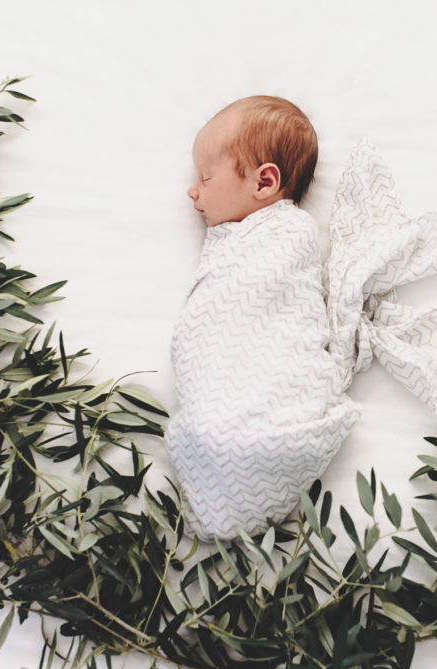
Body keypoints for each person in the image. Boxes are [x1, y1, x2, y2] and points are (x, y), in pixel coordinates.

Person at [165, 96, 359, 541]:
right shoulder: (240, 236)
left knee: (220, 433)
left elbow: (279, 308)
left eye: (206, 178)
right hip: (221, 401)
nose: (193, 191)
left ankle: (239, 455)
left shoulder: (287, 234)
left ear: (264, 181)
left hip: (276, 409)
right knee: (212, 429)